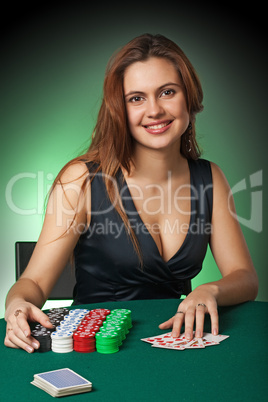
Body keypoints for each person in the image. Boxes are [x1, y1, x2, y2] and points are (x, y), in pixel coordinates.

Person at [4, 33, 258, 353]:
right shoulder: (81, 180)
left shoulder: (210, 178)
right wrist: (16, 307)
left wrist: (210, 291)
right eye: (136, 98)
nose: (154, 110)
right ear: (119, 110)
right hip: (96, 349)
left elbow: (245, 277)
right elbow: (36, 282)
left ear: (188, 97)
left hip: (175, 343)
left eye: (167, 92)